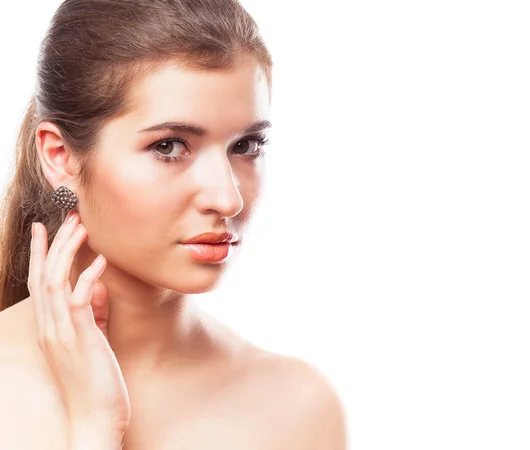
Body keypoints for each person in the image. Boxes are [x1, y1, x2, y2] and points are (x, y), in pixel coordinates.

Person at [0, 1, 347, 448]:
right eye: (169, 146)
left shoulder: (297, 408)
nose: (227, 197)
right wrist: (94, 427)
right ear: (60, 157)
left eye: (246, 144)